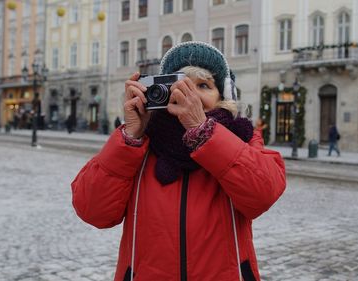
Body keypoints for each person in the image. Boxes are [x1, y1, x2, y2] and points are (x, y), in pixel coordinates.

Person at [71, 41, 286, 281]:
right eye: (179, 85)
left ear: (223, 96)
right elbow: (93, 211)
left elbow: (263, 194)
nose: (189, 94)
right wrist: (129, 138)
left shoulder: (242, 138)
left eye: (203, 85)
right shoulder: (140, 142)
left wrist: (203, 132)